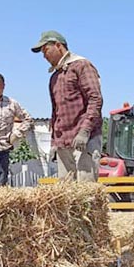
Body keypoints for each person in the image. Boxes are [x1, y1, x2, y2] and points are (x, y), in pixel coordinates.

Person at [31, 31, 103, 182]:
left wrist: (84, 131)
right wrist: (54, 142)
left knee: (86, 190)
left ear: (58, 45)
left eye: (45, 50)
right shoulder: (55, 77)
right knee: (66, 193)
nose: (44, 56)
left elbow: (95, 99)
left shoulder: (82, 66)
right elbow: (56, 113)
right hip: (64, 142)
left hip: (84, 140)